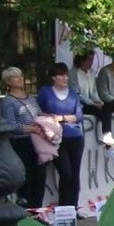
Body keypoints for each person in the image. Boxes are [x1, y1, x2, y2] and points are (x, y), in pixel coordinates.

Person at [37, 63, 85, 209]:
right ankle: (64, 208)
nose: (65, 78)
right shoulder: (45, 92)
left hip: (75, 136)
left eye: (66, 75)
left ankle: (73, 207)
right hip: (56, 138)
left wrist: (61, 118)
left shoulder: (73, 93)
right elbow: (38, 111)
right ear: (53, 77)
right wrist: (50, 118)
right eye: (61, 75)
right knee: (66, 173)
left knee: (75, 174)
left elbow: (79, 116)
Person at [0, 67, 47, 209]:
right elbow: (10, 125)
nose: (20, 79)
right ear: (8, 82)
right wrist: (30, 128)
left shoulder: (31, 98)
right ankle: (27, 208)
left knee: (40, 176)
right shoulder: (8, 101)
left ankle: (38, 209)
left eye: (20, 76)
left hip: (38, 141)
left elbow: (39, 114)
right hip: (22, 142)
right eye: (15, 77)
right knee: (27, 177)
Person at [71, 52, 114, 150]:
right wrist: (91, 103)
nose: (91, 62)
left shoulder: (91, 72)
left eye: (92, 59)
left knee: (108, 106)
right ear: (81, 60)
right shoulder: (73, 73)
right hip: (81, 105)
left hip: (92, 102)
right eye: (89, 59)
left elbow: (93, 91)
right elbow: (77, 94)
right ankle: (107, 137)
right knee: (101, 111)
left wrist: (97, 100)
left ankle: (107, 135)